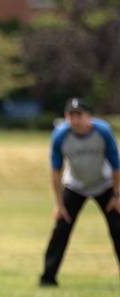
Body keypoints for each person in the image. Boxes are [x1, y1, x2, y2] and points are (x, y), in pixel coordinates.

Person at [41, 98, 120, 286]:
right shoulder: (60, 135)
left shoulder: (102, 132)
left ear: (88, 117)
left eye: (79, 115)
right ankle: (48, 278)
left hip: (105, 185)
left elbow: (116, 165)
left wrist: (117, 196)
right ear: (66, 117)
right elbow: (55, 171)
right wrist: (59, 205)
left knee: (117, 228)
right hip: (75, 186)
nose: (75, 120)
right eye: (71, 115)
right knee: (61, 228)